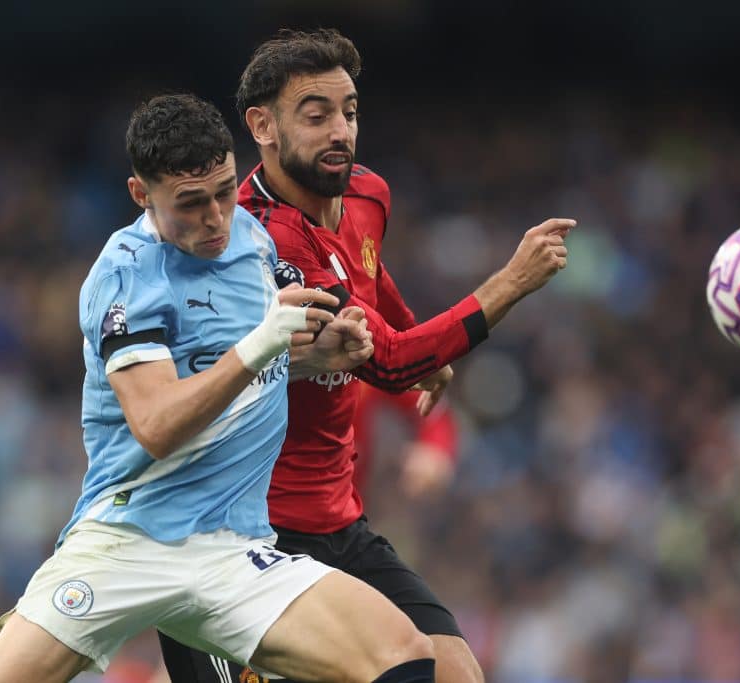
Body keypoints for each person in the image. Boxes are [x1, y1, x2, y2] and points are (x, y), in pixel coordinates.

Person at [0, 93, 443, 683]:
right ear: (142, 195)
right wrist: (261, 344)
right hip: (129, 542)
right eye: (191, 204)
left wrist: (318, 355)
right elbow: (158, 426)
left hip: (232, 550)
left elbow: (249, 370)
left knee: (404, 655)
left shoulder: (253, 241)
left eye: (224, 191)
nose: (217, 218)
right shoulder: (126, 277)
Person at [158, 29, 575, 683]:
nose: (340, 131)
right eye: (316, 115)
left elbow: (372, 284)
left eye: (349, 112)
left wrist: (422, 341)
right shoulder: (256, 243)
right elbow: (386, 363)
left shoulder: (367, 196)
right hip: (233, 539)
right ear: (262, 126)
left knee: (455, 672)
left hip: (337, 522)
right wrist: (510, 283)